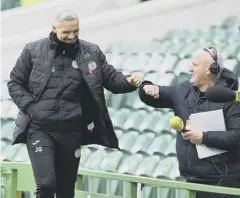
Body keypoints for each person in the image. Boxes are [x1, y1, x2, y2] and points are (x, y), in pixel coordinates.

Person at [7, 9, 141, 198]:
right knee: (46, 185)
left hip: (71, 130)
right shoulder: (33, 50)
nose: (72, 36)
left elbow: (111, 79)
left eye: (76, 31)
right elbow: (15, 83)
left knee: (66, 190)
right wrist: (31, 109)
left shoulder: (91, 52)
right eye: (66, 32)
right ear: (54, 29)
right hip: (39, 128)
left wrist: (129, 82)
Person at [139, 47, 240, 198]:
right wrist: (147, 88)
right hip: (193, 181)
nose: (189, 68)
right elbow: (157, 94)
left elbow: (238, 137)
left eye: (194, 65)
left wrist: (204, 137)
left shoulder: (231, 97)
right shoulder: (182, 89)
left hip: (225, 184)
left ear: (209, 69)